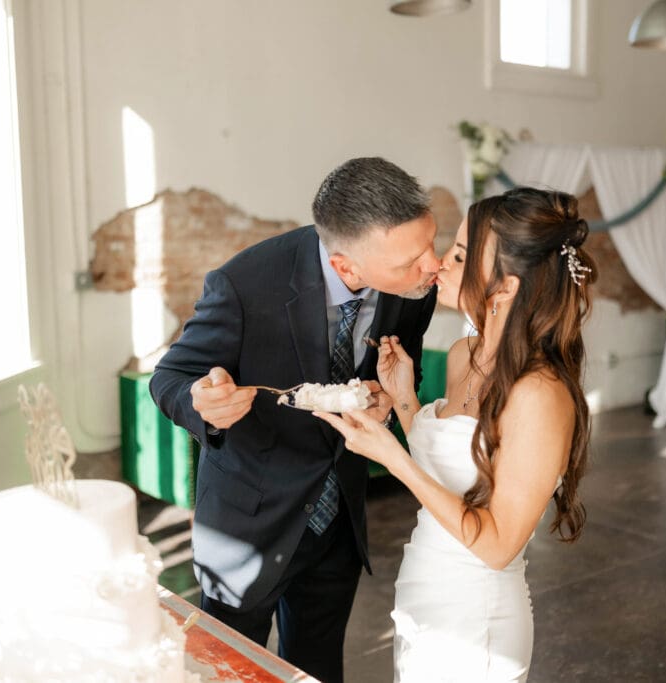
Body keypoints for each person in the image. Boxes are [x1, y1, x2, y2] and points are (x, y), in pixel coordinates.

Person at [149, 157, 439, 683]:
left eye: (431, 245)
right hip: (249, 525)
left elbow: (402, 372)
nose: (432, 265)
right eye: (410, 261)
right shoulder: (244, 285)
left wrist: (387, 404)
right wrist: (201, 401)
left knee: (320, 667)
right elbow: (170, 376)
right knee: (228, 673)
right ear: (348, 266)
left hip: (339, 523)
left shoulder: (415, 286)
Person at [315, 187, 597, 682]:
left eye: (461, 255)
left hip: (477, 617)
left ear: (505, 288)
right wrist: (405, 402)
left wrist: (392, 459)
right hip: (424, 589)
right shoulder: (465, 354)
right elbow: (449, 470)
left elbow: (496, 546)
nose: (441, 263)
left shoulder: (540, 394)